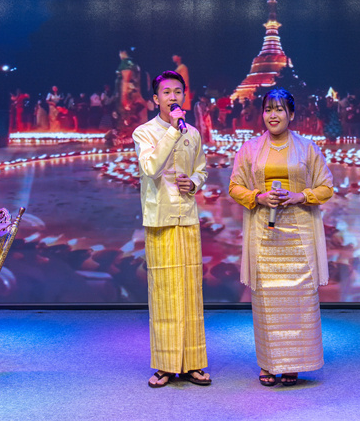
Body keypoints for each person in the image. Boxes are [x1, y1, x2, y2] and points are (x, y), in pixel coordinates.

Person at [229, 88, 334, 387]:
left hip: (299, 236)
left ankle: (294, 363)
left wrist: (300, 195)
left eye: (279, 109)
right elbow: (235, 186)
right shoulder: (249, 149)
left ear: (291, 114)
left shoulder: (307, 148)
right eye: (268, 109)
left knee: (299, 300)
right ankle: (269, 363)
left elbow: (326, 186)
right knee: (267, 301)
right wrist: (258, 197)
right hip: (265, 235)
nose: (272, 115)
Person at [132, 70, 211, 388]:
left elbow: (202, 168)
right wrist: (173, 132)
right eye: (166, 92)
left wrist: (194, 182)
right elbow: (150, 168)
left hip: (187, 218)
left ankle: (193, 364)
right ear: (156, 99)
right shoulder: (144, 132)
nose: (173, 97)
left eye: (178, 91)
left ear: (184, 96)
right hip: (160, 220)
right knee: (164, 292)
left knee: (190, 291)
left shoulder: (194, 133)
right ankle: (165, 366)